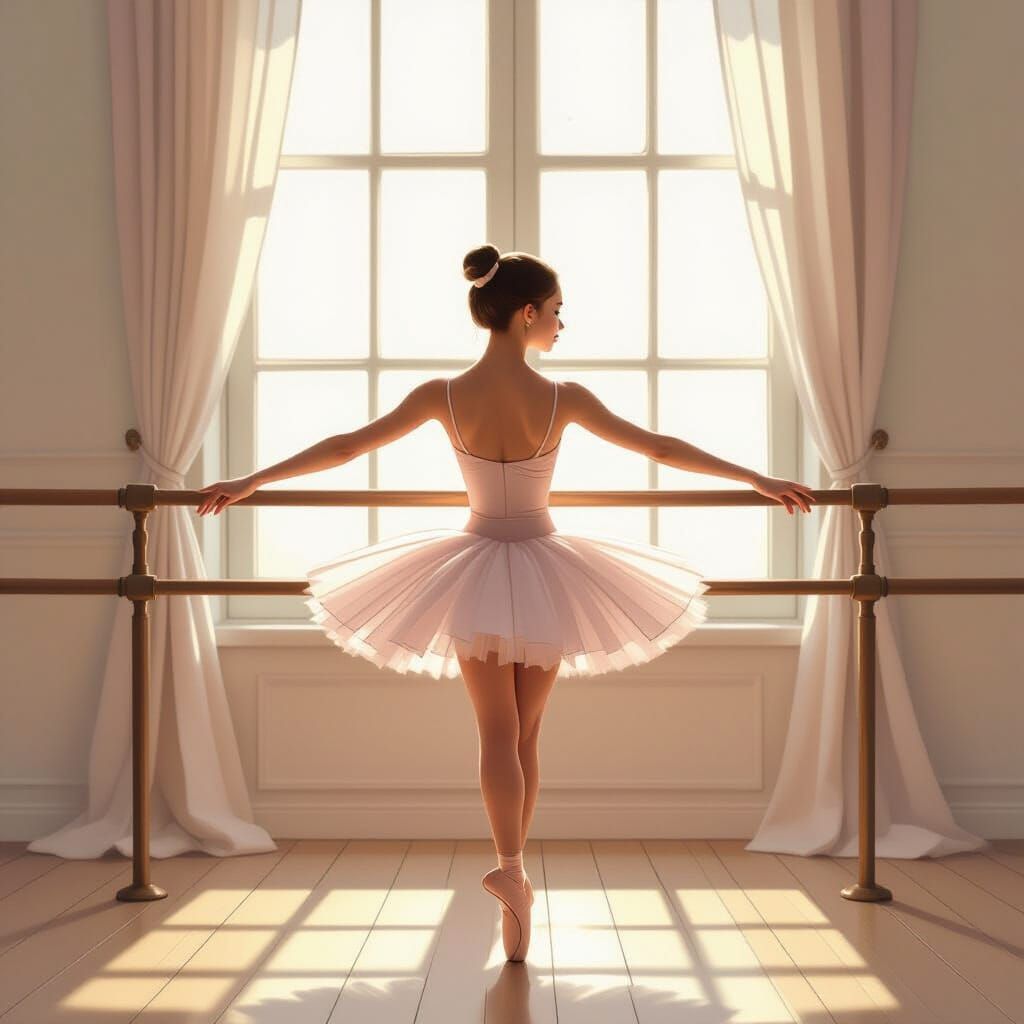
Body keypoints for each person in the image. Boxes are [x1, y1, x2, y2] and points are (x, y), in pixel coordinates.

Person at [197, 244, 816, 962]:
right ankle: (517, 881)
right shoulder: (563, 399)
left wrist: (249, 481)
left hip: (476, 568)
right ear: (526, 314)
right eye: (555, 313)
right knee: (525, 736)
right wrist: (758, 479)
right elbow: (661, 448)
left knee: (496, 732)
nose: (560, 325)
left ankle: (513, 874)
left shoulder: (443, 394)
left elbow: (344, 447)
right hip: (548, 571)